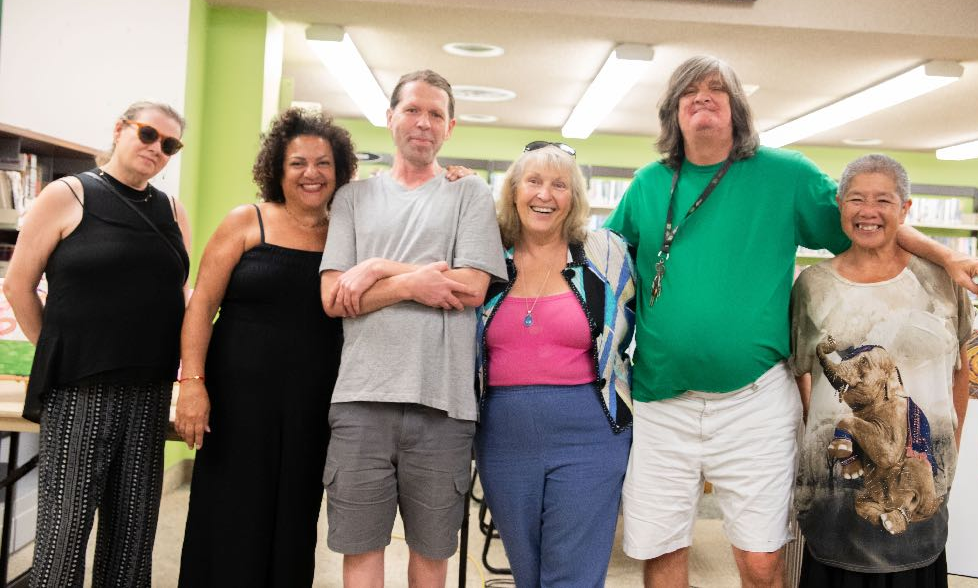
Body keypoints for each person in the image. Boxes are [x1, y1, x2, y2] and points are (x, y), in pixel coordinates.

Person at [604, 55, 978, 588]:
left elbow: (868, 221)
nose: (702, 98)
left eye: (716, 90)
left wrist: (949, 258)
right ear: (672, 113)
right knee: (662, 548)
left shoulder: (783, 175)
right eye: (688, 92)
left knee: (764, 560)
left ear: (737, 109)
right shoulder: (648, 185)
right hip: (661, 401)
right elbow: (598, 262)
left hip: (754, 403)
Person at [319, 69, 507, 587]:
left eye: (435, 114)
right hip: (360, 401)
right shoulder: (352, 199)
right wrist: (414, 284)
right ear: (390, 118)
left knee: (431, 553)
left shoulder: (469, 193)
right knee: (359, 549)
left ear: (450, 128)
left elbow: (471, 287)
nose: (423, 123)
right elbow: (334, 298)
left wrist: (379, 269)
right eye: (412, 110)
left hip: (443, 405)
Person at [3, 101, 190, 587]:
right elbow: (18, 284)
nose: (157, 149)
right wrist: (56, 348)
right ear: (120, 130)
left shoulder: (171, 209)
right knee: (63, 541)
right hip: (80, 394)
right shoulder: (68, 193)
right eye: (148, 135)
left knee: (132, 542)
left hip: (149, 393)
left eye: (169, 145)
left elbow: (181, 290)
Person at [174, 108, 355, 587]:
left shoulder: (348, 232)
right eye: (298, 163)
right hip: (237, 402)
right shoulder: (246, 221)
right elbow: (201, 306)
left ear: (340, 172)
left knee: (294, 521)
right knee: (230, 516)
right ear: (277, 168)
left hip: (313, 404)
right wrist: (191, 383)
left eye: (323, 163)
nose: (311, 174)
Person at [791, 154, 974, 587]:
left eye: (883, 200)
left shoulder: (943, 282)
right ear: (839, 206)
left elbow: (960, 370)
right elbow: (801, 371)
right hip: (833, 499)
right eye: (856, 199)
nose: (868, 211)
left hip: (916, 462)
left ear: (905, 209)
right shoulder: (812, 286)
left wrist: (953, 443)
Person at [474, 141, 635, 587]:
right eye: (534, 182)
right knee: (528, 574)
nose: (545, 194)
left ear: (574, 199)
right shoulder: (486, 258)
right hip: (502, 438)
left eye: (559, 185)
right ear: (513, 192)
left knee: (574, 577)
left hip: (589, 435)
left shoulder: (605, 255)